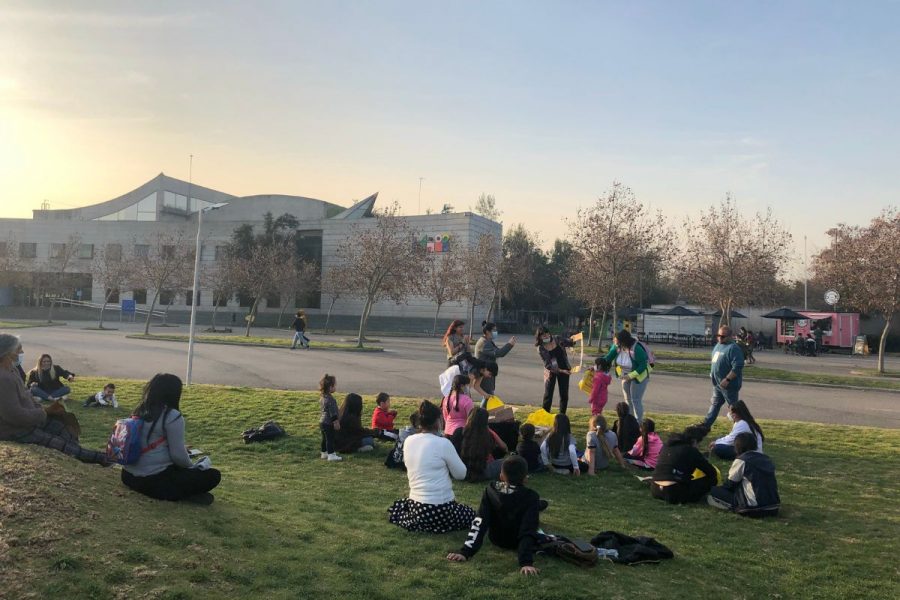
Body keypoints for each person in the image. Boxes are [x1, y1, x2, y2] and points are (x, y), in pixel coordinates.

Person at [0, 334, 108, 465]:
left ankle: (78, 453)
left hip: (30, 420)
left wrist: (42, 409)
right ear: (7, 353)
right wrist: (43, 413)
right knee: (58, 444)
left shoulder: (12, 370)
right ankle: (101, 458)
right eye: (18, 349)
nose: (21, 352)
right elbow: (15, 415)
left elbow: (26, 395)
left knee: (63, 427)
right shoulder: (3, 378)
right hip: (14, 430)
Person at [121, 373, 222, 503]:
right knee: (213, 475)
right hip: (152, 481)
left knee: (180, 475)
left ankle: (189, 495)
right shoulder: (172, 416)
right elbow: (178, 457)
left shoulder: (139, 410)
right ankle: (185, 495)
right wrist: (193, 467)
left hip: (127, 476)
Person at [446, 456, 546, 576]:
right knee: (537, 522)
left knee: (534, 505)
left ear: (501, 476)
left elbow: (480, 522)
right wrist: (526, 562)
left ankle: (540, 505)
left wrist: (465, 552)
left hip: (496, 539)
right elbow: (528, 529)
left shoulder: (490, 490)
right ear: (525, 478)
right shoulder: (531, 496)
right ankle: (540, 505)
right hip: (516, 542)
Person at [388, 400, 475, 533]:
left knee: (400, 506)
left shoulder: (409, 441)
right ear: (438, 421)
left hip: (416, 507)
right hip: (441, 508)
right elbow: (461, 474)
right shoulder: (443, 443)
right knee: (473, 515)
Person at [708, 432, 780, 517]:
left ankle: (733, 507)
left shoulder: (742, 460)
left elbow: (730, 484)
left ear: (737, 447)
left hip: (754, 508)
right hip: (774, 506)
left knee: (713, 491)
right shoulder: (767, 459)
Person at [650, 425, 718, 504]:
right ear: (694, 441)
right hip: (674, 491)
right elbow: (711, 472)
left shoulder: (667, 446)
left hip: (655, 489)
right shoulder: (691, 451)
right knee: (712, 480)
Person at [602, 329, 651, 421]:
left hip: (639, 376)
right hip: (625, 375)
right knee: (627, 399)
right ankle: (630, 420)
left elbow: (642, 365)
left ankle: (638, 422)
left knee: (635, 400)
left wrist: (630, 376)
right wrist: (596, 365)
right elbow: (608, 357)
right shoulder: (617, 346)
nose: (614, 341)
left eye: (616, 340)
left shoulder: (636, 348)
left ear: (623, 341)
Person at [704, 326, 745, 428]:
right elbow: (715, 361)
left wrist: (727, 379)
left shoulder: (733, 348)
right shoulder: (718, 345)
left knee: (734, 408)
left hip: (729, 385)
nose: (720, 338)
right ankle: (704, 426)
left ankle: (741, 428)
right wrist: (712, 372)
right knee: (714, 404)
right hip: (717, 384)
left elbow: (738, 366)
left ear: (730, 336)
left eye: (723, 336)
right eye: (718, 336)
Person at [454, 407, 508, 481]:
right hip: (482, 472)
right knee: (507, 462)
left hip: (462, 471)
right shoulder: (487, 435)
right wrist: (491, 431)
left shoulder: (459, 432)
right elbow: (504, 447)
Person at [535, 326, 576, 414]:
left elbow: (570, 343)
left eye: (547, 333)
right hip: (551, 372)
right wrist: (561, 371)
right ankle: (545, 414)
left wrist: (574, 338)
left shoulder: (557, 339)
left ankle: (562, 415)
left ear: (549, 333)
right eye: (543, 335)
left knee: (564, 394)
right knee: (548, 394)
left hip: (565, 369)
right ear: (539, 337)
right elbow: (548, 365)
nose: (546, 336)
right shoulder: (541, 348)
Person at [474, 321, 517, 400]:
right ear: (487, 331)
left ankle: (485, 411)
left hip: (487, 372)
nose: (495, 332)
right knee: (489, 396)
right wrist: (509, 344)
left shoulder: (487, 341)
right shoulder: (484, 343)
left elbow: (498, 352)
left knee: (488, 396)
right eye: (493, 330)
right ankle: (485, 412)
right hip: (485, 373)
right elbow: (499, 353)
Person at [319, 373, 342, 462]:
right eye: (334, 385)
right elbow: (332, 413)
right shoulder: (331, 399)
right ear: (330, 387)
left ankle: (324, 452)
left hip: (322, 422)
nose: (335, 387)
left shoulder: (323, 397)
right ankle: (331, 454)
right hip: (328, 423)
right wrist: (336, 422)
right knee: (330, 439)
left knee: (324, 439)